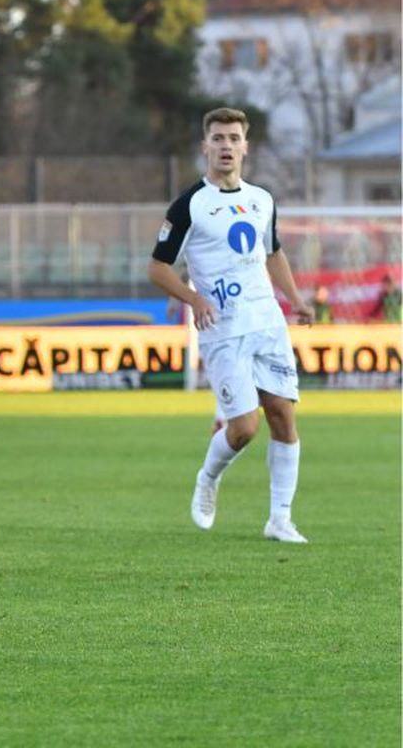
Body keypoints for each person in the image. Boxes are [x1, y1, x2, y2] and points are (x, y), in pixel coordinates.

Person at [148, 107, 315, 544]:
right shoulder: (190, 205)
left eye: (233, 138)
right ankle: (208, 477)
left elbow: (273, 253)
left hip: (267, 323)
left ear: (245, 146)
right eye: (218, 138)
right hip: (222, 329)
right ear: (205, 147)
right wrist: (193, 297)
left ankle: (280, 519)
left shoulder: (262, 199)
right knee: (243, 429)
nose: (226, 146)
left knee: (283, 416)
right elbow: (158, 268)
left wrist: (295, 301)